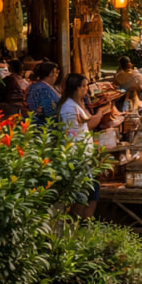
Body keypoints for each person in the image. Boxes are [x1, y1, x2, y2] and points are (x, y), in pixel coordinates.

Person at [56, 72, 105, 218]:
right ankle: (77, 224)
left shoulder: (77, 105)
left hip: (86, 155)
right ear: (76, 88)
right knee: (82, 194)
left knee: (93, 192)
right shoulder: (69, 108)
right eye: (83, 86)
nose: (86, 89)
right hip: (78, 157)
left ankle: (86, 224)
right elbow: (72, 133)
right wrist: (99, 114)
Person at [26, 60, 60, 127]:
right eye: (55, 73)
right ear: (51, 74)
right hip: (45, 124)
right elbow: (47, 109)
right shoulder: (42, 88)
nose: (57, 75)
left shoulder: (46, 87)